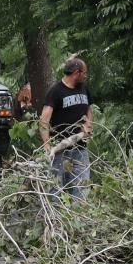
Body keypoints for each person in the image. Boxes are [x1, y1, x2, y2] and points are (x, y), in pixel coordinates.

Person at [39, 55, 94, 200]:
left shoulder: (84, 89)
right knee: (55, 190)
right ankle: (54, 221)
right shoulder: (56, 91)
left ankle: (79, 219)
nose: (86, 76)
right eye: (84, 73)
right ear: (76, 72)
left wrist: (88, 124)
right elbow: (44, 120)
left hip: (80, 148)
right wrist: (47, 145)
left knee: (82, 187)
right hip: (59, 150)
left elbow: (89, 109)